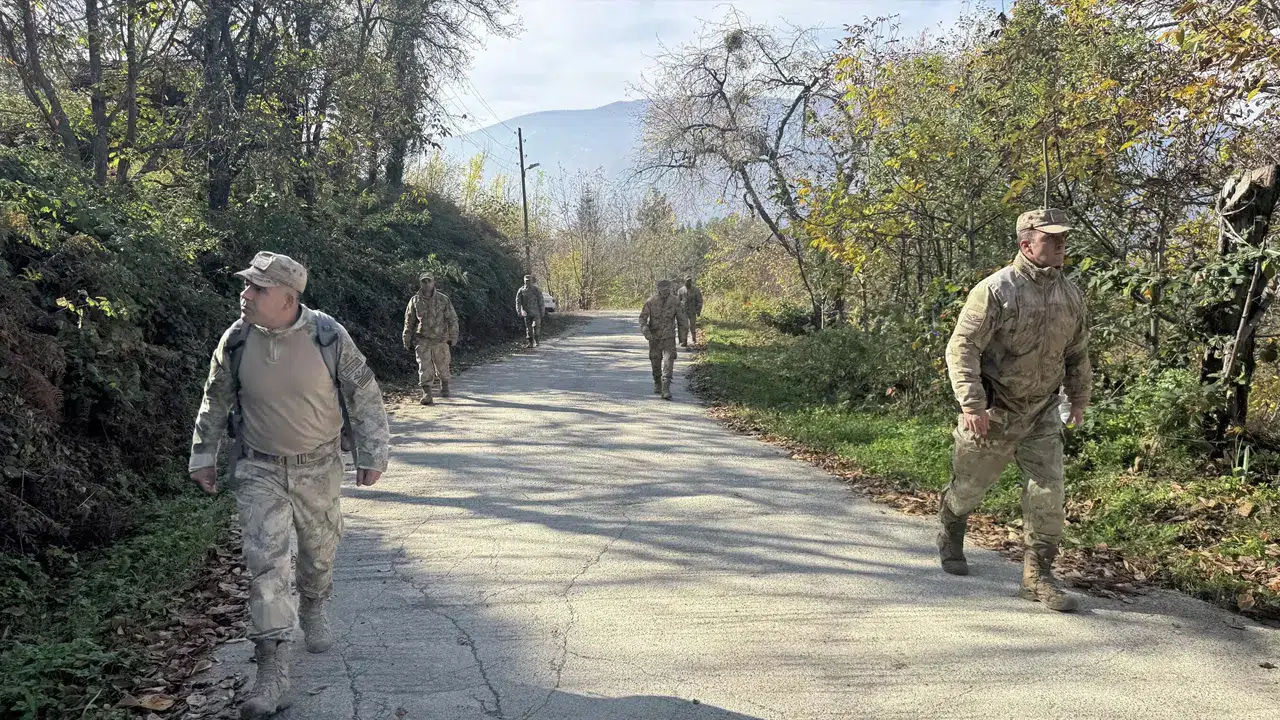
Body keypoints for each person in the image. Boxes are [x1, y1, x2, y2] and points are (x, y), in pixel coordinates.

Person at [188, 251, 390, 718]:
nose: (245, 294)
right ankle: (271, 668)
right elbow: (213, 400)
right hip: (258, 468)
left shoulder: (327, 335)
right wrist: (203, 457)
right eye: (247, 286)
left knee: (319, 552)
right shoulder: (236, 339)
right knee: (266, 568)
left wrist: (372, 453)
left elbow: (365, 393)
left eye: (257, 289)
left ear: (287, 297)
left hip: (318, 466)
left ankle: (315, 603)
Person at [939, 208, 1091, 613]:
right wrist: (972, 403)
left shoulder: (1071, 294)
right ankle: (951, 521)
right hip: (996, 409)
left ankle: (1037, 578)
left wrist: (1078, 398)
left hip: (1042, 410)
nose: (1060, 245)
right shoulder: (996, 290)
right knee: (970, 488)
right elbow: (962, 347)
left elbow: (1076, 353)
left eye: (1063, 239)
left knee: (1049, 494)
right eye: (1051, 239)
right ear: (1027, 244)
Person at [402, 274, 459, 405]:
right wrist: (406, 336)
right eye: (424, 282)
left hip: (440, 339)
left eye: (429, 281)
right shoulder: (415, 301)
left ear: (434, 283)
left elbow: (452, 319)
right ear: (420, 284)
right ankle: (427, 393)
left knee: (443, 365)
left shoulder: (443, 299)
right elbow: (409, 320)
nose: (426, 284)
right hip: (423, 339)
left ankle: (444, 385)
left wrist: (453, 336)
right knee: (424, 367)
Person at [639, 279, 681, 400]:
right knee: (655, 360)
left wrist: (683, 337)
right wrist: (646, 332)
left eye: (667, 288)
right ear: (658, 289)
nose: (665, 291)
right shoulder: (651, 301)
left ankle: (666, 387)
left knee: (669, 360)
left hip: (669, 337)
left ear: (670, 288)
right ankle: (657, 382)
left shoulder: (675, 301)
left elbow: (681, 319)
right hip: (654, 337)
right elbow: (642, 318)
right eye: (662, 289)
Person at [515, 275, 545, 348]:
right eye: (526, 281)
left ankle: (537, 341)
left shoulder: (536, 290)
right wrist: (519, 311)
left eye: (529, 280)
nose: (527, 282)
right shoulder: (521, 290)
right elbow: (518, 301)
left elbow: (541, 301)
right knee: (528, 328)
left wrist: (542, 311)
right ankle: (530, 342)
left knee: (536, 326)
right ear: (524, 281)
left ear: (531, 281)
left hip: (536, 312)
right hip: (527, 313)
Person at [677, 276, 704, 347]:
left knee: (692, 326)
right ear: (684, 281)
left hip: (693, 311)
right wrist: (678, 312)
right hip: (684, 311)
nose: (688, 282)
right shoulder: (681, 290)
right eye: (687, 281)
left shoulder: (696, 290)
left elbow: (700, 301)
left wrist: (698, 310)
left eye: (690, 281)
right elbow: (678, 302)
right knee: (685, 326)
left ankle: (694, 339)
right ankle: (684, 341)